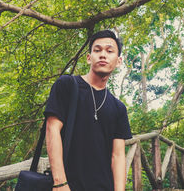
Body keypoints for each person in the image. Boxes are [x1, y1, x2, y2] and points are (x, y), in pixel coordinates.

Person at [44, 30, 132, 191]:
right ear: (89, 57)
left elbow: (118, 156)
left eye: (109, 51)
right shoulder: (67, 85)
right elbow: (52, 130)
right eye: (97, 50)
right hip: (68, 185)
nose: (103, 55)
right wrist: (60, 183)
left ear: (118, 61)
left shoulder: (119, 108)